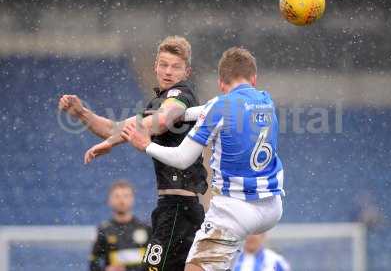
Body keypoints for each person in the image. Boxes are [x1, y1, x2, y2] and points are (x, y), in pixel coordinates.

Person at [123, 46, 285, 271]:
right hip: (272, 206)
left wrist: (147, 145)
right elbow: (203, 111)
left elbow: (181, 158)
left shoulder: (218, 106)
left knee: (195, 268)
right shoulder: (267, 101)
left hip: (236, 209)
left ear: (221, 83)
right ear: (254, 79)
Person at [59, 36, 208, 271]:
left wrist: (113, 140)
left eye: (176, 66)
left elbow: (161, 122)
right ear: (155, 67)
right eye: (164, 65)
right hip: (175, 208)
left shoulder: (180, 95)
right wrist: (82, 113)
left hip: (178, 209)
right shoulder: (157, 102)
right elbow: (114, 128)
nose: (168, 72)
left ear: (186, 72)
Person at [90, 180, 151, 271]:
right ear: (109, 200)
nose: (121, 200)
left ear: (132, 199)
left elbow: (157, 261)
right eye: (117, 196)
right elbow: (94, 263)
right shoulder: (104, 230)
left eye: (126, 196)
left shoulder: (146, 228)